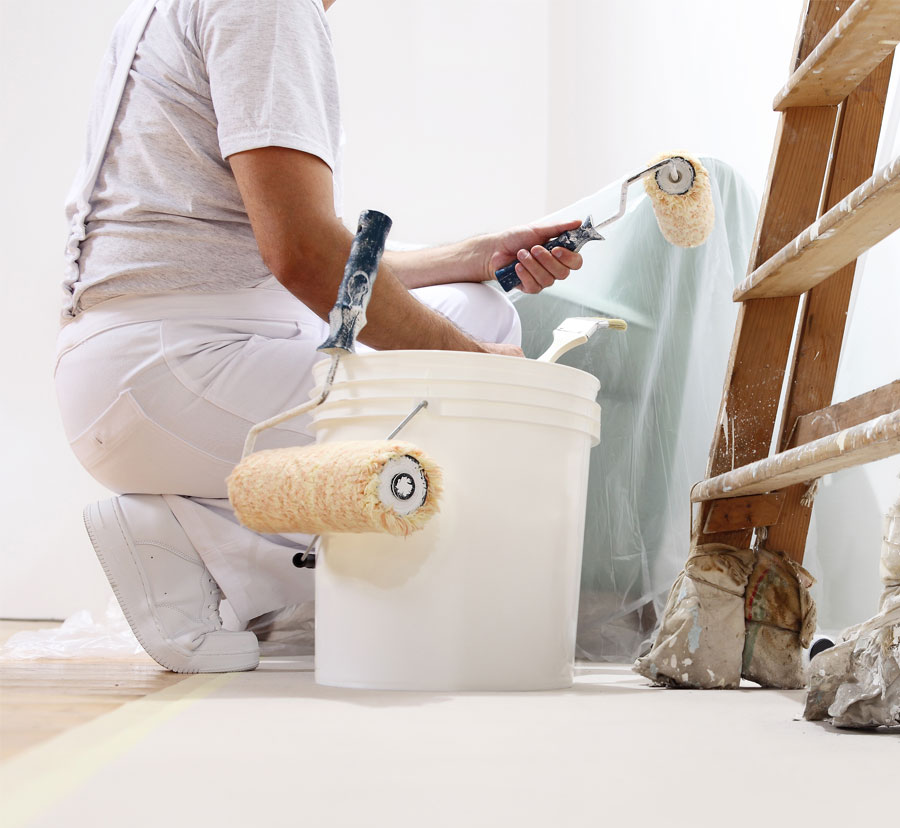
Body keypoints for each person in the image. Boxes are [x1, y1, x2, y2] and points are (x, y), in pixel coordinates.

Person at [56, 0, 583, 674]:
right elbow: (304, 254)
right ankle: (202, 545)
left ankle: (213, 538)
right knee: (473, 421)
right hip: (174, 368)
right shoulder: (269, 8)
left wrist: (469, 255)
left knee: (470, 303)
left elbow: (290, 248)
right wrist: (476, 368)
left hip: (150, 360)